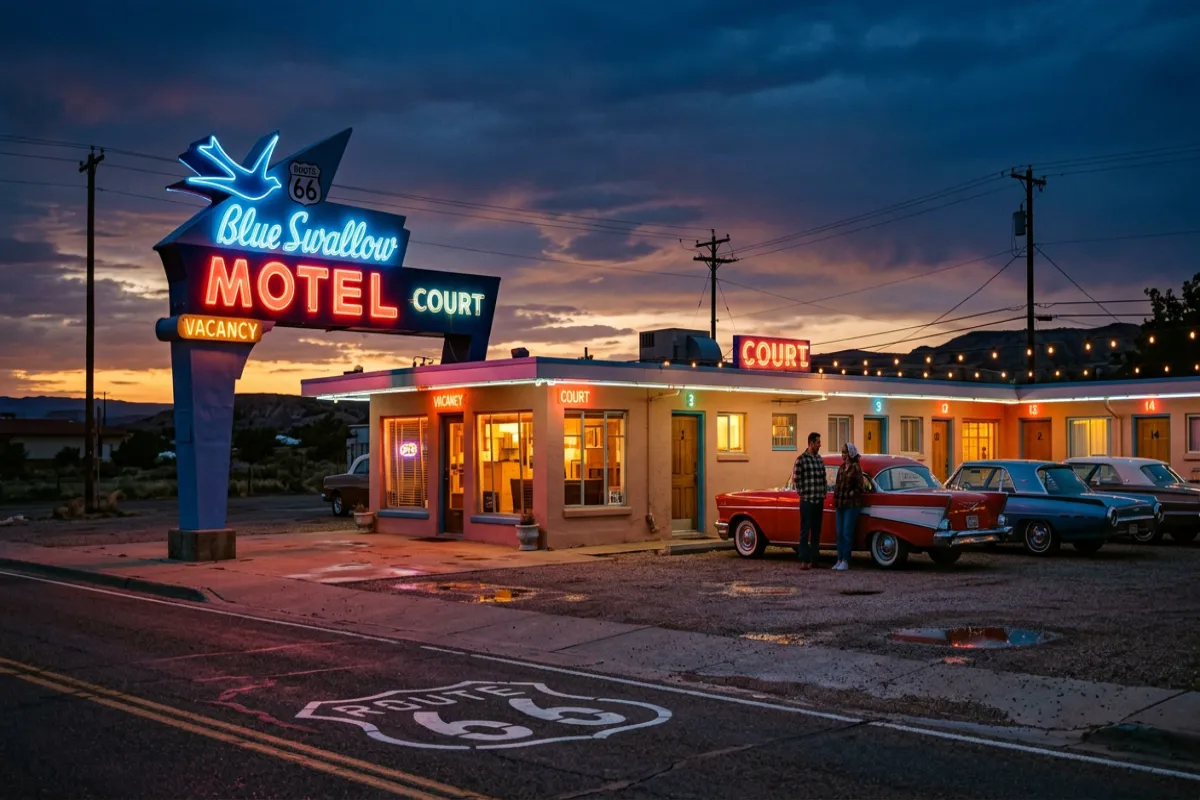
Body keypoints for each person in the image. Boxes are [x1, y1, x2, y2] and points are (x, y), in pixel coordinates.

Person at [792, 431, 826, 570]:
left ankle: (815, 559)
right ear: (811, 443)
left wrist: (823, 493)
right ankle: (804, 560)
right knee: (805, 531)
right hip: (807, 501)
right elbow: (796, 479)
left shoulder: (819, 459)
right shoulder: (801, 459)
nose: (820, 445)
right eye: (818, 442)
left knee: (816, 531)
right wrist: (803, 493)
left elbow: (823, 478)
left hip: (818, 500)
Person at [832, 443, 865, 571]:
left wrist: (853, 492)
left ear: (851, 453)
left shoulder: (856, 467)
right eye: (842, 452)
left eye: (845, 452)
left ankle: (846, 560)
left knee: (847, 532)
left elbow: (860, 486)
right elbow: (837, 484)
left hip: (851, 504)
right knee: (839, 533)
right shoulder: (841, 468)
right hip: (840, 503)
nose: (843, 455)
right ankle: (839, 559)